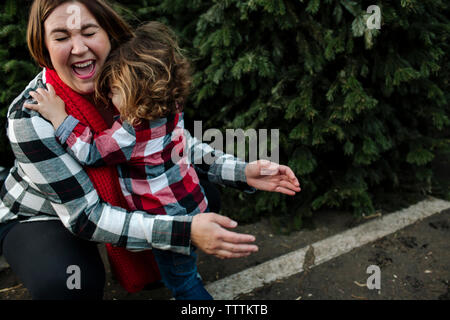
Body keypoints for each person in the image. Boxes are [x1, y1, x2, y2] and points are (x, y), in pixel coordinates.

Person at [0, 0, 301, 300]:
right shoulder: (31, 115)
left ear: (109, 33)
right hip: (45, 212)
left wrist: (243, 172)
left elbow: (171, 146)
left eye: (89, 32)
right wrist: (183, 232)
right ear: (44, 47)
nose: (78, 48)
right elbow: (86, 216)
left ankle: (165, 265)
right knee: (68, 284)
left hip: (117, 195)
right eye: (62, 37)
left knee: (201, 195)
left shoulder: (130, 80)